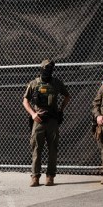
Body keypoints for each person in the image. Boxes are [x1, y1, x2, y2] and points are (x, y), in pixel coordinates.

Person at [22, 59, 71, 187]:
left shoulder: (56, 83)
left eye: (51, 68)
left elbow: (67, 96)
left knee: (52, 150)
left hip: (53, 121)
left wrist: (60, 110)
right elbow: (25, 101)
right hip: (39, 120)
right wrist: (33, 114)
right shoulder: (34, 83)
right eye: (46, 68)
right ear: (42, 69)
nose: (48, 70)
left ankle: (50, 177)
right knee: (36, 149)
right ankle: (35, 177)